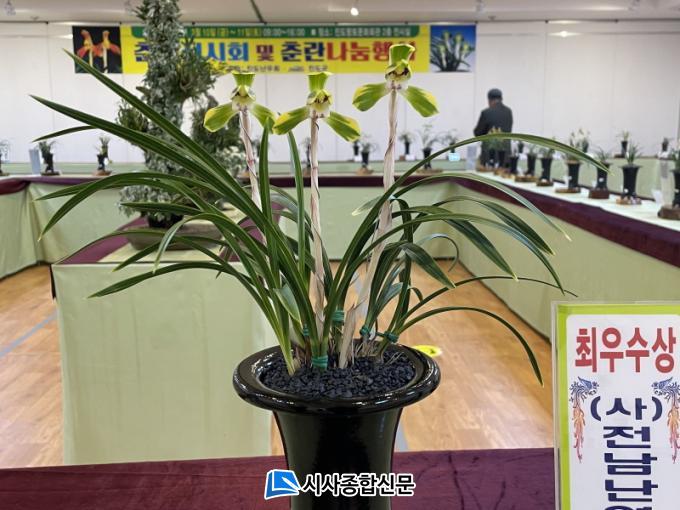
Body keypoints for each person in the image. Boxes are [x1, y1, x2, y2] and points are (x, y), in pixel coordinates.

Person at [474, 88, 513, 168]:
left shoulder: (486, 113)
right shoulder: (508, 112)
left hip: (489, 158)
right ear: (501, 99)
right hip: (506, 157)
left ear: (489, 100)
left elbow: (478, 133)